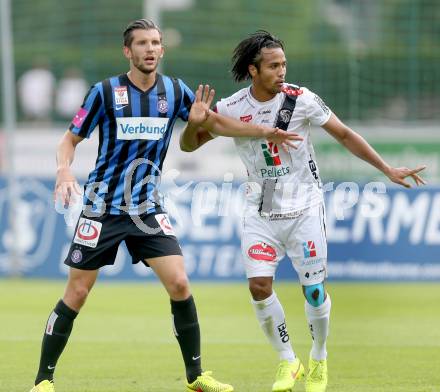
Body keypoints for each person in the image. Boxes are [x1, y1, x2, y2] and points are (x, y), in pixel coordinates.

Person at [29, 21, 300, 392]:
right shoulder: (105, 92)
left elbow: (214, 123)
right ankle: (43, 380)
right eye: (142, 43)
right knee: (77, 293)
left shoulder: (174, 92)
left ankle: (196, 377)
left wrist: (264, 131)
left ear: (162, 50)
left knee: (179, 282)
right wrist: (63, 171)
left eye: (155, 42)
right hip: (101, 207)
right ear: (128, 51)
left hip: (146, 208)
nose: (150, 49)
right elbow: (69, 139)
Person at [180, 31, 427, 392]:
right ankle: (287, 360)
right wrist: (193, 121)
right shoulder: (231, 108)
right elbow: (189, 146)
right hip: (260, 213)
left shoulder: (301, 100)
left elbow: (343, 134)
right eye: (273, 66)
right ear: (253, 70)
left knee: (313, 291)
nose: (281, 71)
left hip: (304, 209)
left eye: (284, 64)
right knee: (259, 286)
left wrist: (386, 168)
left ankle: (319, 357)